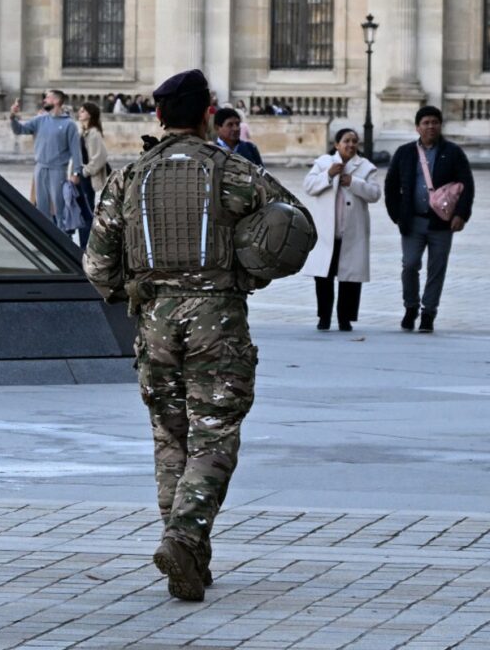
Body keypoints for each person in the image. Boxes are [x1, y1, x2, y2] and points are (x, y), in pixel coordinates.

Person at [83, 69, 304, 602]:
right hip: (218, 318)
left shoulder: (129, 178)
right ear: (208, 113)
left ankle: (187, 551)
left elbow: (95, 264)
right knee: (215, 432)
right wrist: (248, 268)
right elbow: (293, 226)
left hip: (154, 319)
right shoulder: (235, 171)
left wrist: (131, 291)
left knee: (170, 436)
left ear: (157, 116)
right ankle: (184, 538)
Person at [384, 106, 474, 333]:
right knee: (410, 264)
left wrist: (461, 214)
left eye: (435, 122)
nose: (430, 126)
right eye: (426, 122)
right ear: (417, 127)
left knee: (437, 269)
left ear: (440, 125)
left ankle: (428, 313)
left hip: (442, 223)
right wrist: (397, 215)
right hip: (412, 221)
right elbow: (391, 185)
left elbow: (467, 185)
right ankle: (411, 306)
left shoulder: (453, 152)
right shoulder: (404, 153)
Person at [302, 128, 381, 332]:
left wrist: (353, 182)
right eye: (346, 141)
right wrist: (328, 175)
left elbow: (374, 194)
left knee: (350, 278)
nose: (351, 145)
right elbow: (309, 186)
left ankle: (345, 318)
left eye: (355, 141)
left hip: (352, 233)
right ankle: (324, 317)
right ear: (337, 144)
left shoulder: (366, 167)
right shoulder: (323, 163)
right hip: (327, 233)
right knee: (324, 278)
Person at [8, 89, 83, 231]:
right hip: (40, 169)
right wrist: (13, 116)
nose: (44, 101)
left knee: (60, 208)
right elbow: (19, 130)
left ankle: (62, 239)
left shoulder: (69, 125)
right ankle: (44, 239)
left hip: (58, 170)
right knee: (41, 207)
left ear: (56, 101)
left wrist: (76, 172)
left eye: (47, 98)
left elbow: (76, 151)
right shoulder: (39, 120)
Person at [72, 103, 111, 248]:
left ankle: (86, 246)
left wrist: (85, 171)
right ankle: (84, 244)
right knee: (83, 212)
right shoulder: (85, 132)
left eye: (83, 111)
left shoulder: (94, 133)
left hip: (87, 179)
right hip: (82, 177)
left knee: (86, 213)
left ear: (90, 114)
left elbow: (101, 156)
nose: (80, 113)